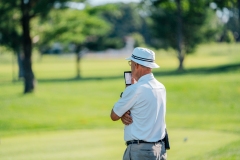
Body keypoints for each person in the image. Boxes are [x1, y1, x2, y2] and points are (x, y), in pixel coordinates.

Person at [110, 47, 168, 160]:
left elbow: (114, 115)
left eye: (130, 63)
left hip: (140, 151)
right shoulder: (161, 87)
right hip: (160, 149)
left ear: (136, 64)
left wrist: (127, 92)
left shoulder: (135, 89)